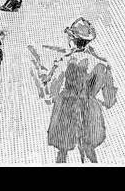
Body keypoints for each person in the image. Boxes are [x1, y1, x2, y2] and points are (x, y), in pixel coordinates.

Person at [44, 18, 117, 164]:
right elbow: (109, 96)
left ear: (73, 39)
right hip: (90, 108)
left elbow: (53, 90)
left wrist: (51, 93)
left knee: (63, 148)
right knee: (89, 147)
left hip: (67, 107)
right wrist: (105, 102)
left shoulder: (65, 61)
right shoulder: (100, 63)